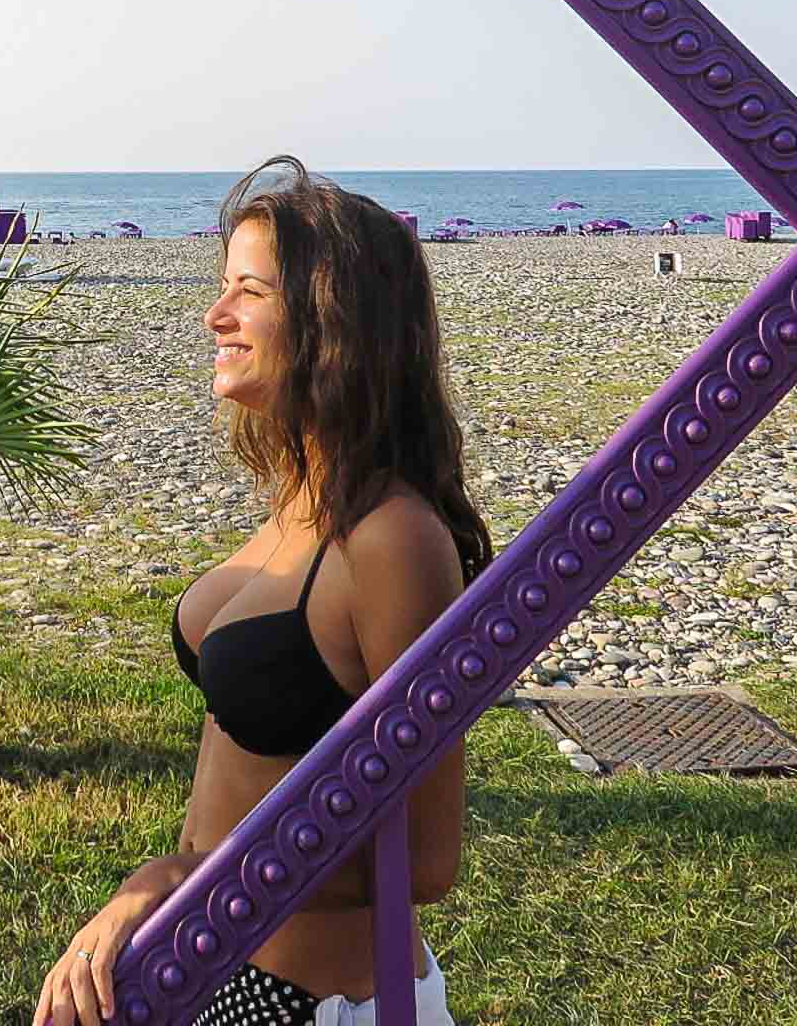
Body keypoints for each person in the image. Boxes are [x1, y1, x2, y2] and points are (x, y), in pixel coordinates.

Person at [36, 157, 491, 1026]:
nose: (217, 314)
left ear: (333, 321)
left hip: (308, 1005)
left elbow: (427, 860)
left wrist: (188, 881)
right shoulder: (300, 499)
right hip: (215, 972)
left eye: (250, 291)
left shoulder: (392, 537)